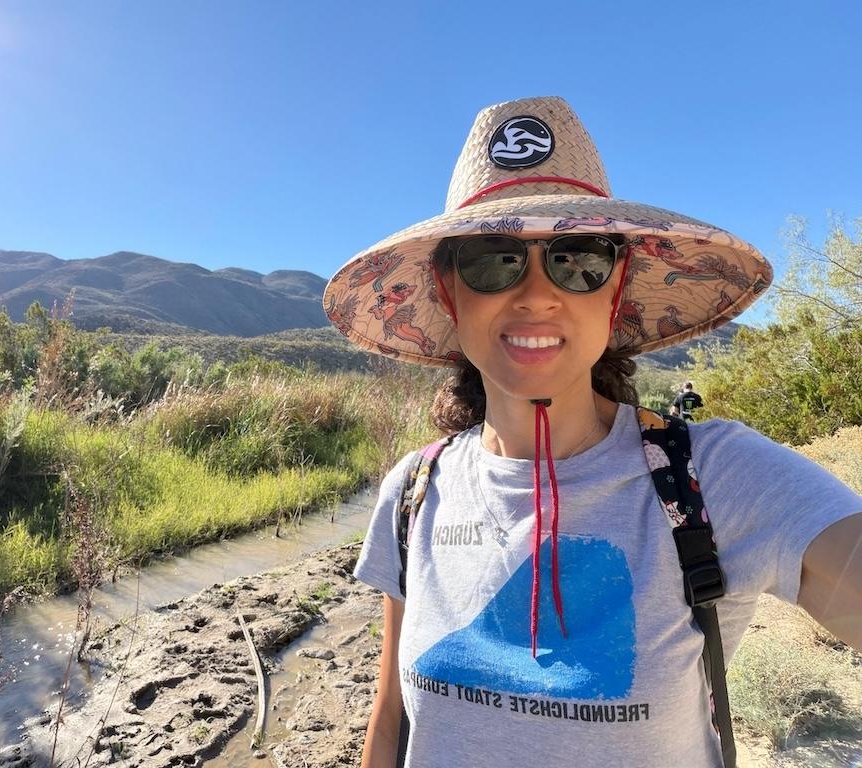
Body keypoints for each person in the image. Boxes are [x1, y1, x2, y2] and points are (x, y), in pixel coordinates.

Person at [322, 97, 862, 768]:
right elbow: (390, 722)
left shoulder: (715, 479)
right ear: (449, 290)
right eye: (495, 260)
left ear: (616, 287)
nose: (539, 294)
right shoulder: (413, 491)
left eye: (579, 259)